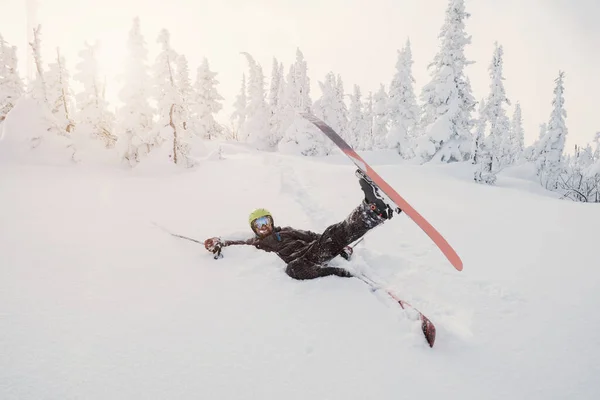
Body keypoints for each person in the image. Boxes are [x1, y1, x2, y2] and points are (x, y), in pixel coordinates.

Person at [203, 170, 401, 280]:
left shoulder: (287, 231)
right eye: (259, 224)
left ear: (272, 222)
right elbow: (236, 244)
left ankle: (374, 210)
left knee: (331, 233)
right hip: (301, 264)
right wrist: (219, 242)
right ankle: (377, 212)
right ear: (254, 229)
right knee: (293, 269)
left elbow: (314, 236)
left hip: (312, 251)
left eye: (266, 222)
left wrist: (338, 247)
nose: (264, 227)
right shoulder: (255, 243)